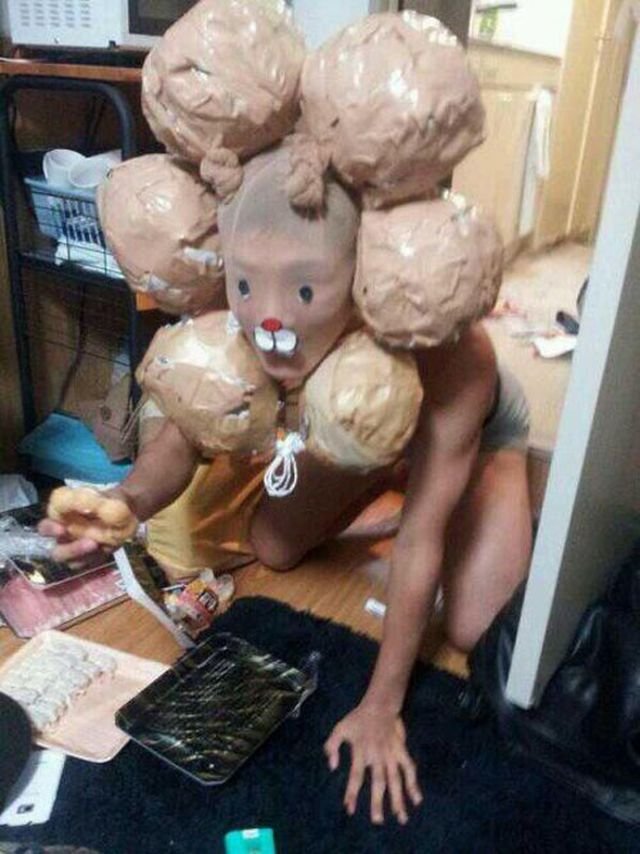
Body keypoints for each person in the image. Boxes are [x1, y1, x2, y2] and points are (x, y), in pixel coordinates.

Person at [40, 142, 532, 827]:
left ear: (360, 279)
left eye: (304, 292)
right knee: (272, 546)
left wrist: (381, 705)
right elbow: (181, 436)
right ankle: (382, 470)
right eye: (247, 286)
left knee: (474, 625)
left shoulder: (449, 352)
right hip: (352, 430)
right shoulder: (247, 314)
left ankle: (478, 485)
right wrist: (126, 501)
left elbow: (421, 537)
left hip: (469, 437)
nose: (270, 318)